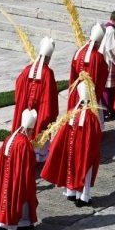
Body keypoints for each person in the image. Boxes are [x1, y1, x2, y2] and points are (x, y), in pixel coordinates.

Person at [42, 78, 103, 207]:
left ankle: (71, 192)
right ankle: (83, 197)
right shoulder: (91, 117)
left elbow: (62, 133)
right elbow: (96, 135)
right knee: (85, 172)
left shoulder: (71, 113)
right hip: (85, 151)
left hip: (71, 149)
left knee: (71, 169)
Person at [0, 109, 39, 230]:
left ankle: (2, 225)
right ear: (28, 130)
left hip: (5, 176)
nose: (32, 134)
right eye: (32, 131)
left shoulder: (11, 138)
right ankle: (17, 225)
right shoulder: (23, 143)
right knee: (19, 199)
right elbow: (29, 164)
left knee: (4, 199)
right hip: (17, 177)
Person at [12, 37, 59, 162]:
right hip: (41, 109)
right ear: (48, 58)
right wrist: (51, 114)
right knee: (40, 126)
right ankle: (38, 155)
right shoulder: (48, 73)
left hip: (25, 108)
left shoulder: (27, 69)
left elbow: (18, 87)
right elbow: (51, 96)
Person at [69, 23, 108, 127]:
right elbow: (103, 74)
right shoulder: (97, 56)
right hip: (91, 93)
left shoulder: (78, 52)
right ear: (98, 42)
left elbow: (73, 74)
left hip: (78, 91)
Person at [100, 10, 115, 120]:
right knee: (108, 88)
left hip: (104, 60)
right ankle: (107, 111)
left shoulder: (105, 27)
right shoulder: (111, 31)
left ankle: (107, 110)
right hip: (108, 62)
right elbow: (111, 50)